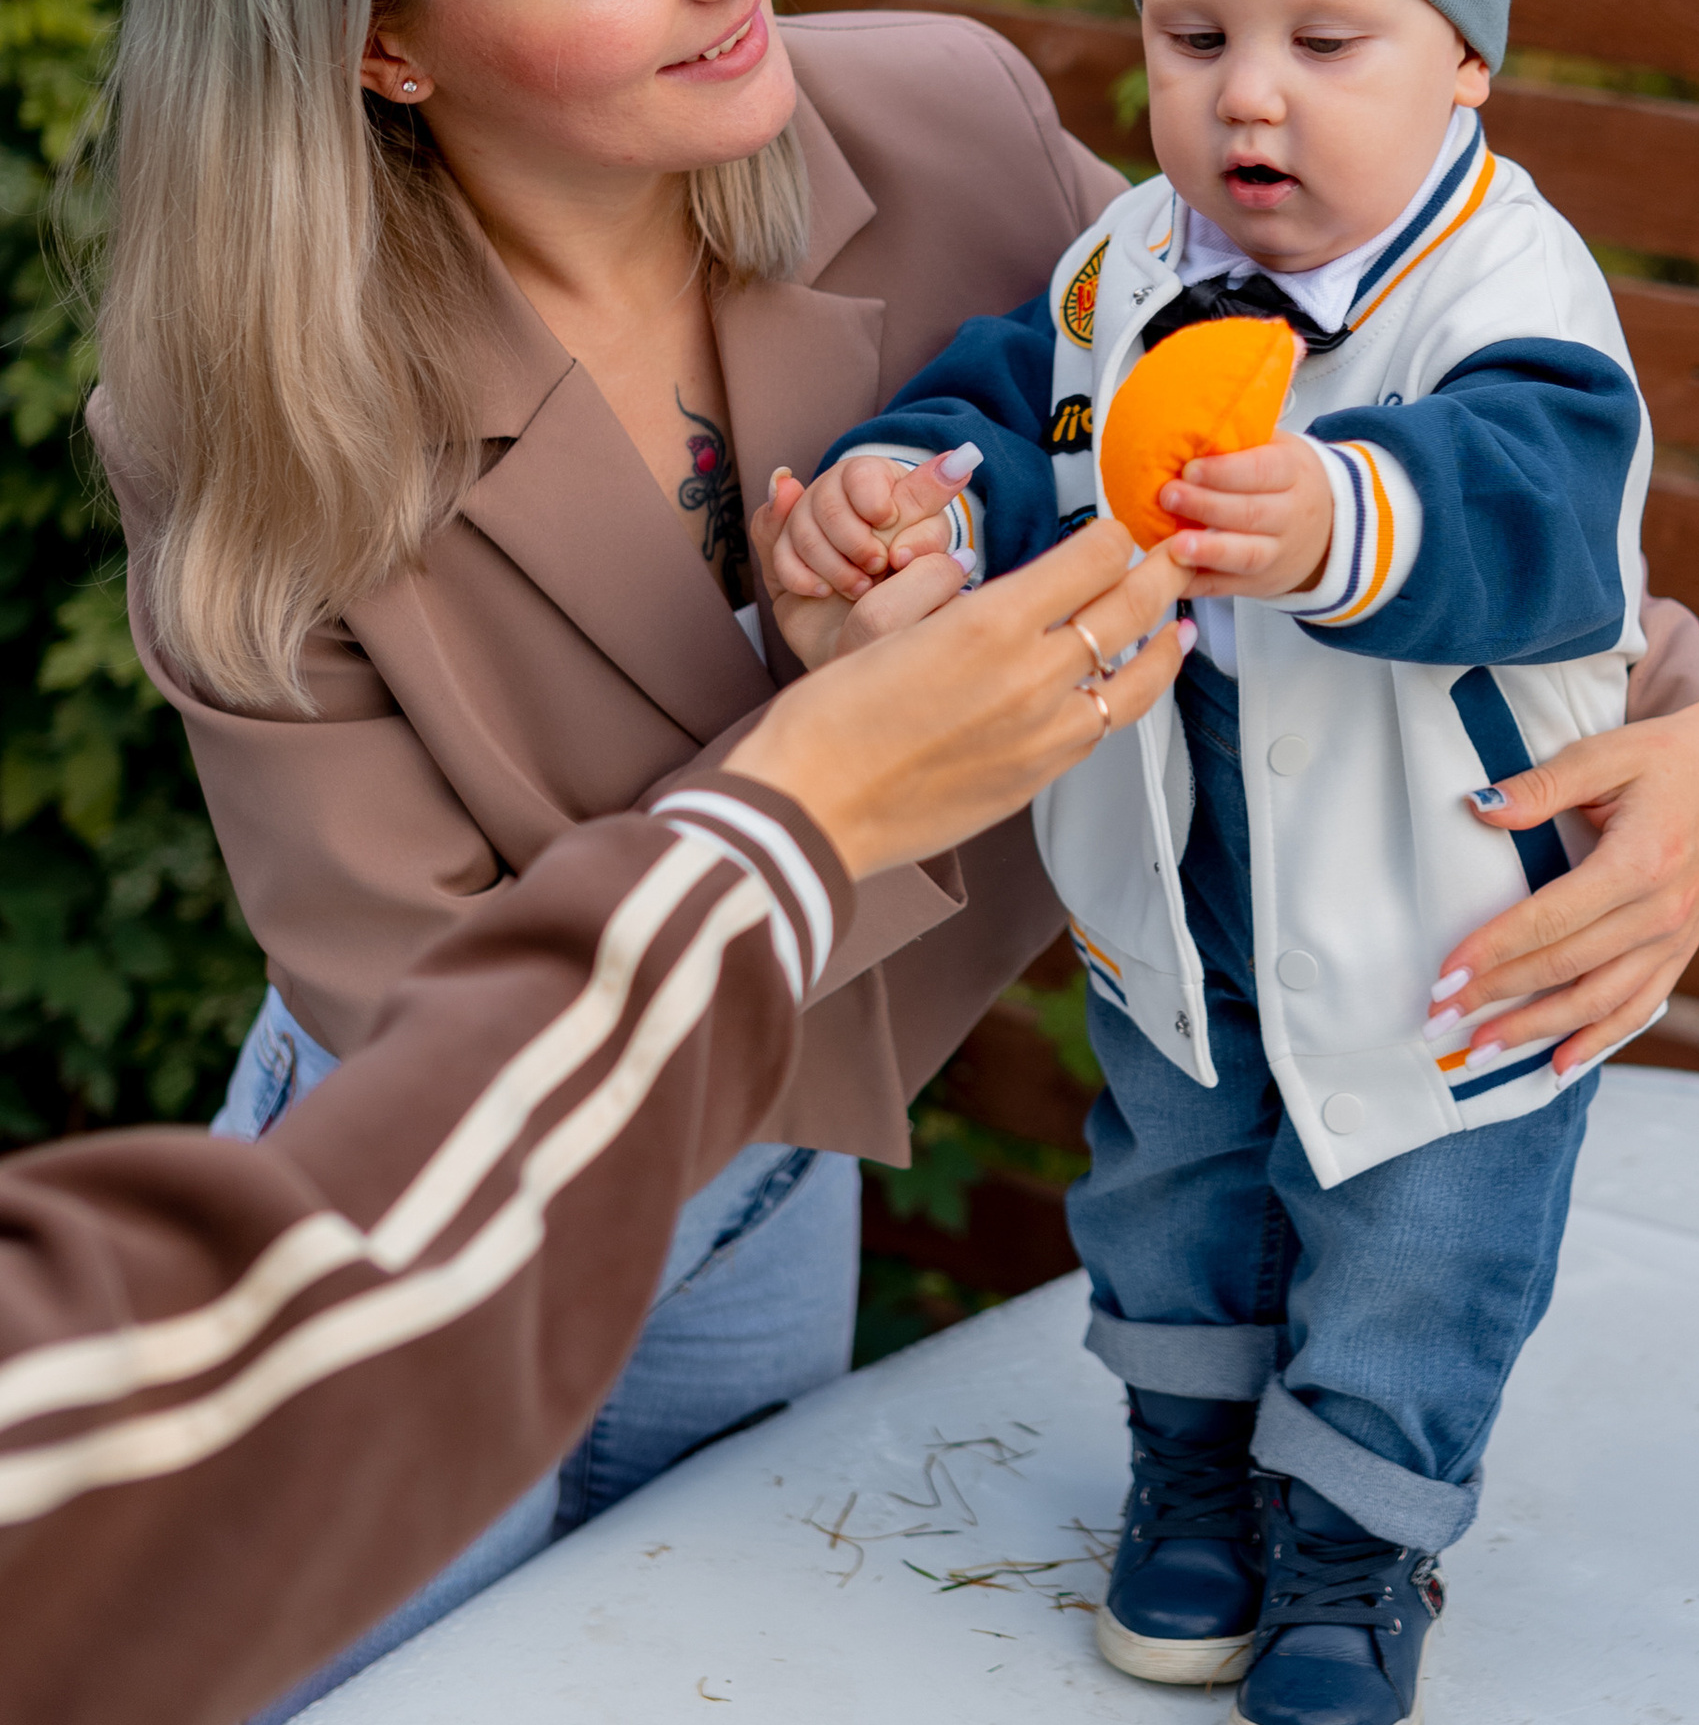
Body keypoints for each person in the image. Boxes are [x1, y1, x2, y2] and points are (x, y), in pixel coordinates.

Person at [88, 0, 1699, 1697]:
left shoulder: (956, 132)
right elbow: (456, 1039)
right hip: (424, 1219)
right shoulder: (246, 410)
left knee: (698, 1657)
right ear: (381, 44)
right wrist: (823, 769)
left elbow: (1365, 432)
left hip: (778, 1178)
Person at [758, 0, 1699, 1725]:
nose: (1249, 91)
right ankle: (1191, 1473)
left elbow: (1540, 502)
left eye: (1330, 36)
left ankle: (1356, 1538)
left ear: (1463, 58)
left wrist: (1341, 515)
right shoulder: (1123, 262)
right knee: (1172, 1178)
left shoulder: (1510, 288)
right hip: (1184, 849)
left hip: (1440, 892)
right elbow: (1016, 410)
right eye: (1189, 26)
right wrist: (915, 492)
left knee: (1417, 1232)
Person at [0, 523, 1192, 1725]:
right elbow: (261, 1371)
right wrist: (789, 821)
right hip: (446, 1164)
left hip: (749, 1140)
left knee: (685, 1649)